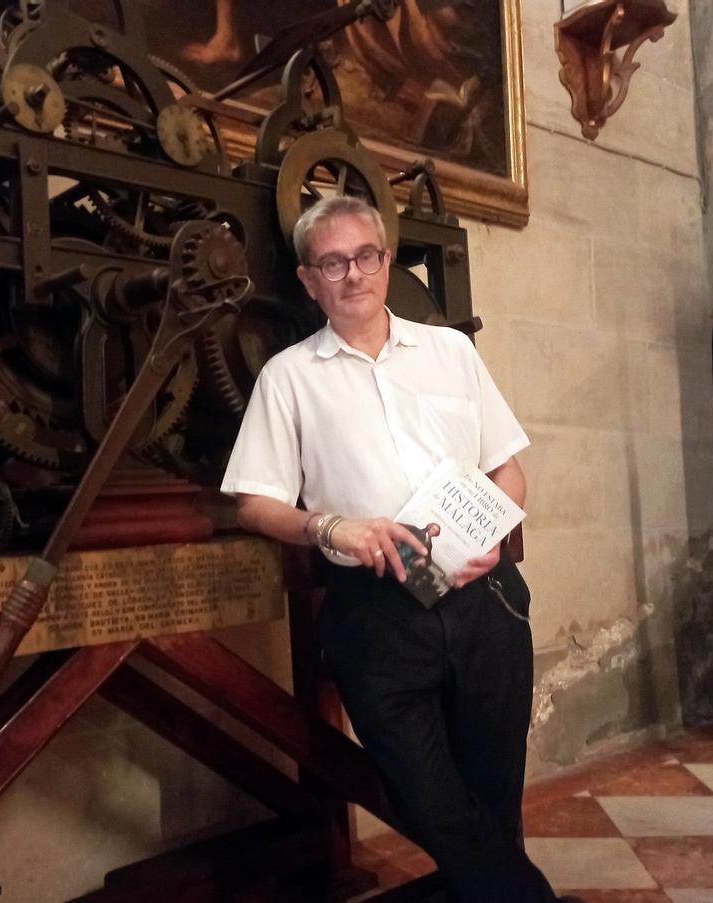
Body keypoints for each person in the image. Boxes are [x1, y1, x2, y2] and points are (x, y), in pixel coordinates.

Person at [221, 196, 565, 902]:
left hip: (486, 602)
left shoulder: (451, 351)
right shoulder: (288, 377)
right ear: (309, 278)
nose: (354, 274)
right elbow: (253, 502)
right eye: (333, 262)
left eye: (366, 256)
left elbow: (509, 467)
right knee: (430, 798)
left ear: (386, 260)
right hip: (376, 612)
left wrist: (495, 527)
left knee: (495, 801)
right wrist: (329, 527)